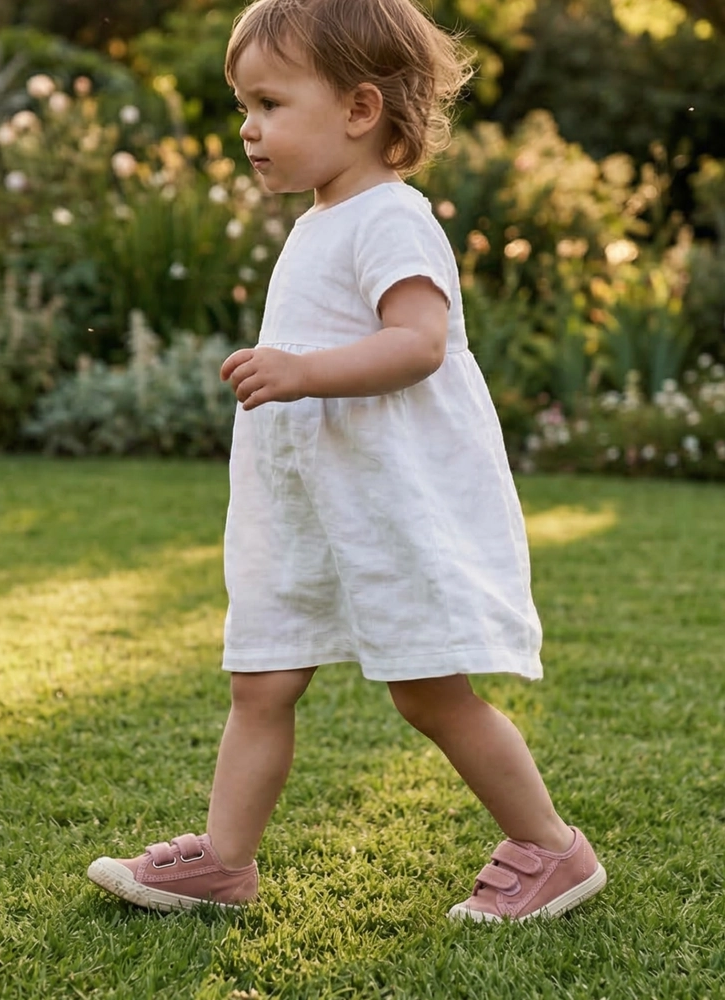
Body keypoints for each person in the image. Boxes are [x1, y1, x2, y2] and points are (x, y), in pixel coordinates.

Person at [88, 0, 606, 923]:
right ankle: (226, 863)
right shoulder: (320, 220)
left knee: (428, 693)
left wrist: (302, 371)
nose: (248, 128)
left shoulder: (391, 219)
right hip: (305, 508)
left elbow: (419, 342)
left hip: (382, 505)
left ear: (360, 110)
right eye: (243, 104)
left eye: (270, 104)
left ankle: (551, 846)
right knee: (264, 678)